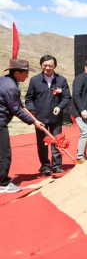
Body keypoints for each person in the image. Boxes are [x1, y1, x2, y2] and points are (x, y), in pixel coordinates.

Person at [0, 60, 43, 193]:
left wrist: (19, 102)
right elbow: (16, 109)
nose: (27, 76)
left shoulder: (4, 80)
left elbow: (14, 102)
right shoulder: (11, 87)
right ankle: (2, 183)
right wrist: (33, 122)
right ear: (17, 73)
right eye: (25, 73)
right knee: (4, 153)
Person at [25, 55, 72, 175]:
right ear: (41, 65)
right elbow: (29, 98)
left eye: (50, 65)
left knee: (57, 141)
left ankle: (56, 165)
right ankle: (45, 166)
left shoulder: (61, 80)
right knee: (42, 143)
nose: (47, 68)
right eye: (45, 65)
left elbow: (66, 97)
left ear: (54, 66)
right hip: (40, 119)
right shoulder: (35, 80)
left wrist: (59, 107)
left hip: (56, 118)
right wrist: (32, 110)